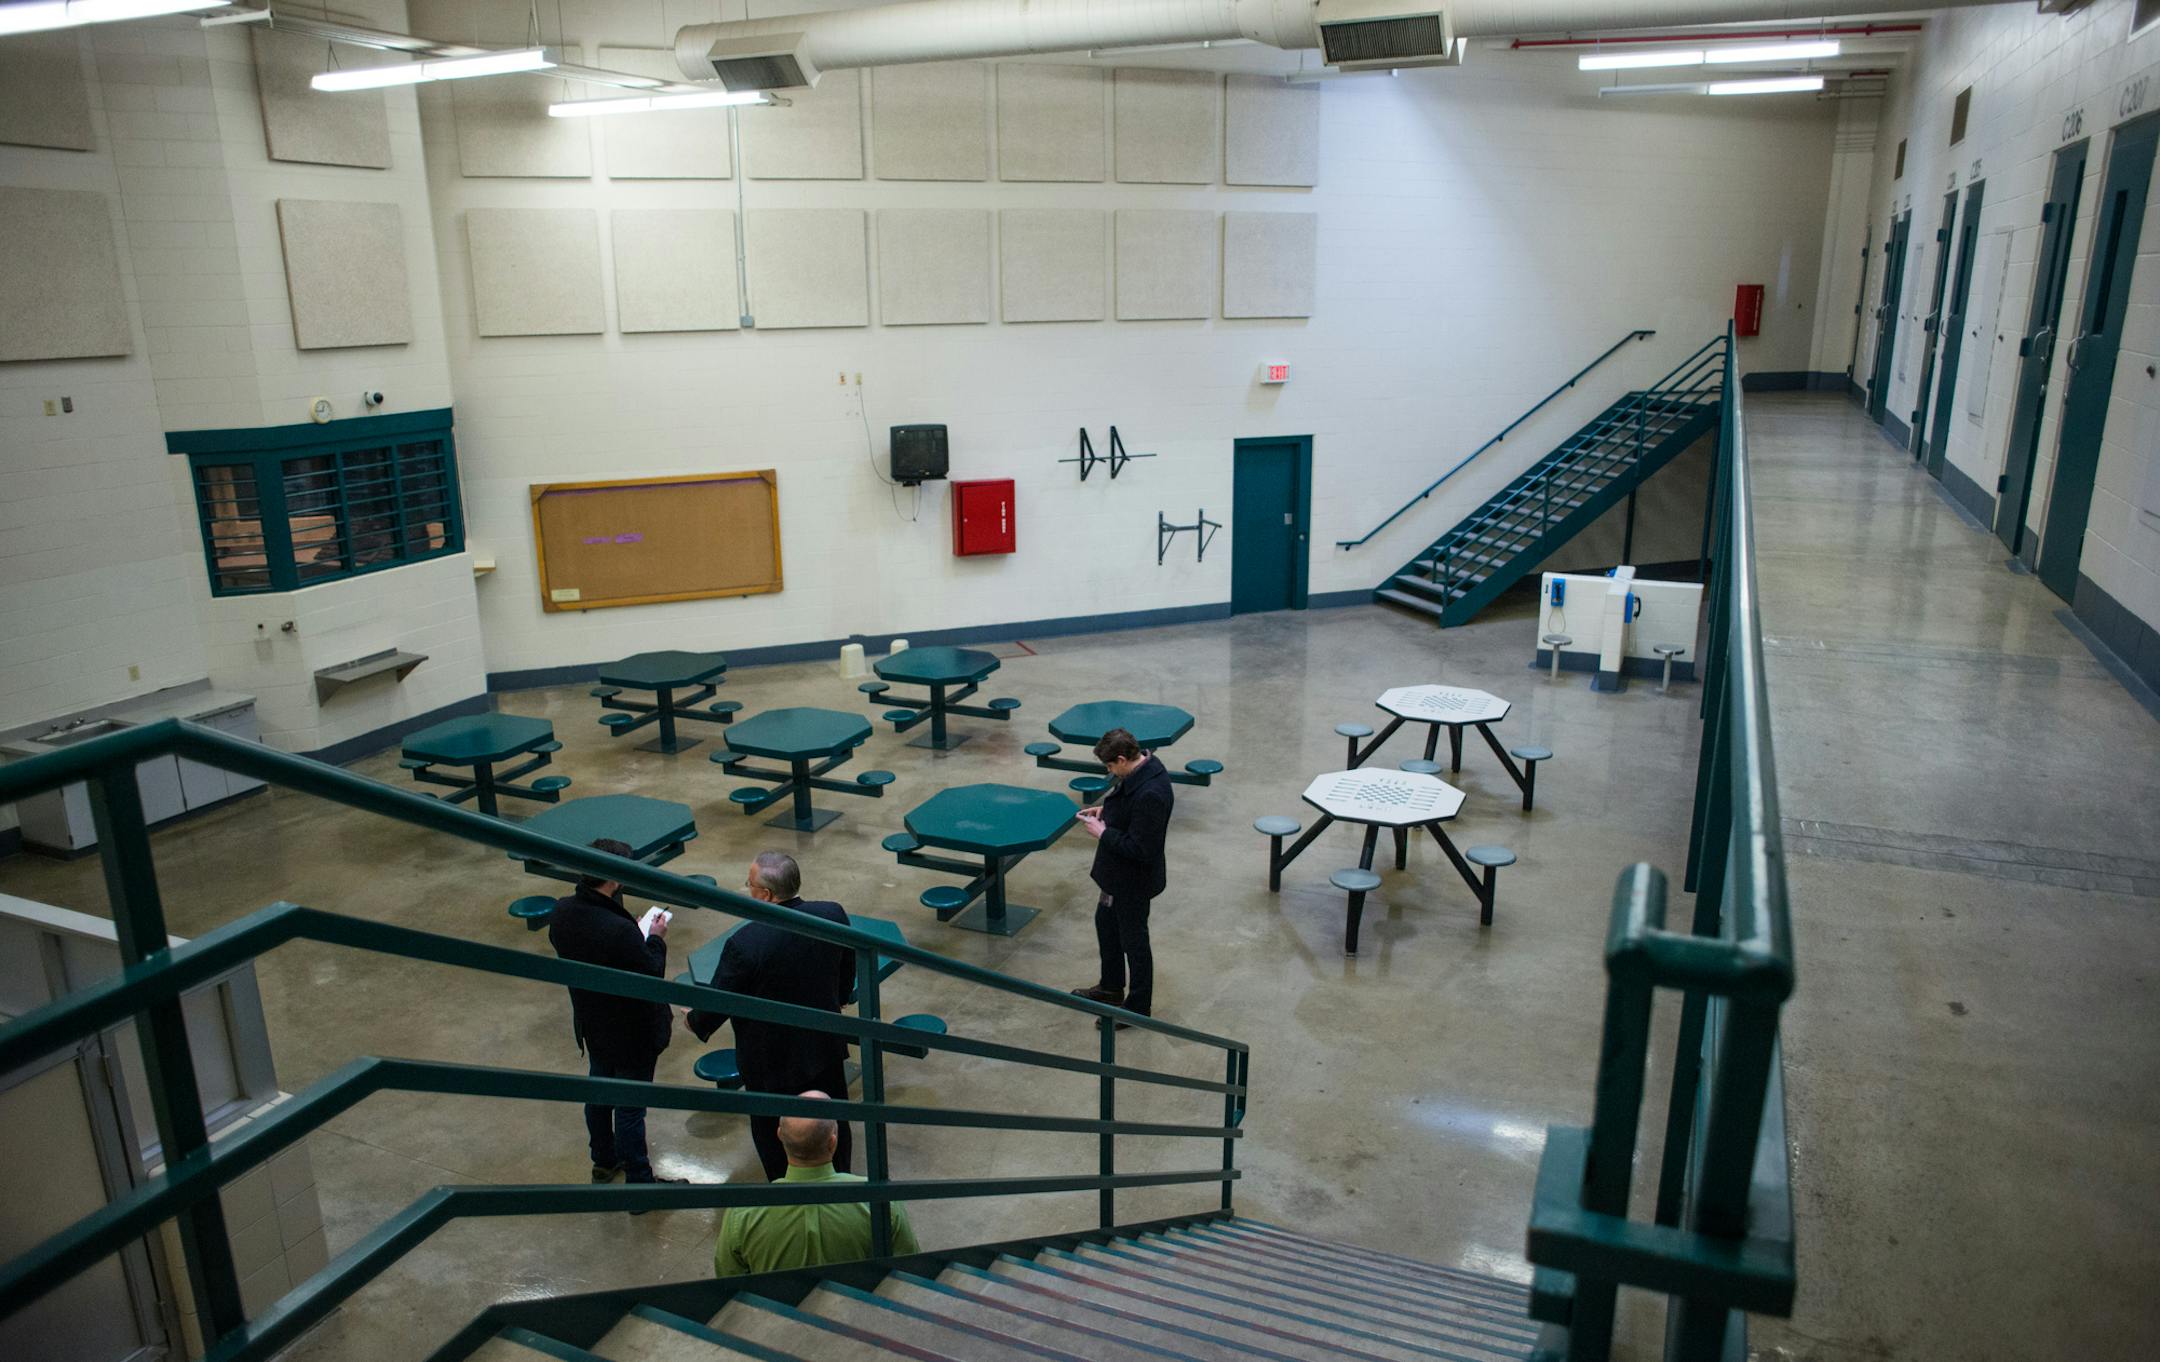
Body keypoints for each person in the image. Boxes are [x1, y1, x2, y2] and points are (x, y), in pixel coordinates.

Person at [688, 851, 857, 1181]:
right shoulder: (831, 914)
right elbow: (846, 961)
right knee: (833, 1118)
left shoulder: (746, 943)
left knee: (773, 1132)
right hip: (823, 1044)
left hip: (771, 1062)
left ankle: (786, 1190)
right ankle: (842, 1182)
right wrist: (838, 997)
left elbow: (718, 1001)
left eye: (749, 884)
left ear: (764, 894)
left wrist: (694, 1019)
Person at [546, 838, 685, 1195]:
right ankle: (639, 1181)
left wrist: (630, 937)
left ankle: (603, 1160)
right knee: (630, 1108)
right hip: (631, 1029)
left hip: (593, 1020)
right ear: (615, 878)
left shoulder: (563, 911)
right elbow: (650, 972)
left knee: (600, 1089)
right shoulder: (619, 930)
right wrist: (654, 937)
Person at [713, 1091, 919, 1276]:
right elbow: (908, 1267)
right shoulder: (878, 1200)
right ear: (833, 1142)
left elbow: (728, 1278)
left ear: (779, 1136)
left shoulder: (744, 1212)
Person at [1070, 727, 1174, 1026]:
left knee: (1134, 943)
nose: (1110, 771)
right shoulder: (1142, 770)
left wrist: (1103, 832)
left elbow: (1141, 848)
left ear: (1122, 758)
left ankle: (1139, 1007)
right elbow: (1131, 808)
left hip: (1133, 881)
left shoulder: (1152, 792)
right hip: (1116, 877)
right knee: (1105, 924)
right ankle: (1112, 988)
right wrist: (1108, 812)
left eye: (1110, 766)